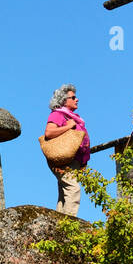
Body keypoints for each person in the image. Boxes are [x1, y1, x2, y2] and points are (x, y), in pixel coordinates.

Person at [45, 84, 90, 216]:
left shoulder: (72, 117)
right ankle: (69, 224)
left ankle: (59, 222)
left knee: (64, 193)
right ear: (64, 100)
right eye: (73, 97)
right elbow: (49, 133)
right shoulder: (58, 115)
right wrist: (68, 126)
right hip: (62, 159)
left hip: (71, 160)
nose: (77, 99)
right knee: (73, 188)